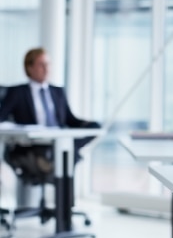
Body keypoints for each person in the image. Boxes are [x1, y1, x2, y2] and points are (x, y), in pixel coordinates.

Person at [0, 47, 100, 179]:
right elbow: (2, 117)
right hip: (33, 144)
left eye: (48, 64)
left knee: (92, 129)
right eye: (41, 65)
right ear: (29, 68)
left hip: (57, 139)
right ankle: (62, 156)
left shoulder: (57, 92)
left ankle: (64, 153)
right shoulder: (18, 92)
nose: (46, 69)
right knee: (63, 156)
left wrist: (90, 124)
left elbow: (69, 119)